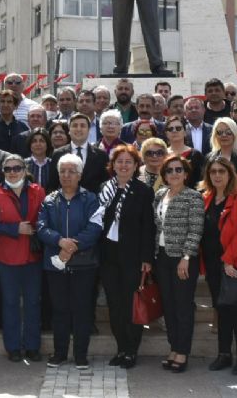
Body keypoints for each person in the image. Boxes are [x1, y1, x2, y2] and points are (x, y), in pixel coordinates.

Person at [37, 154, 102, 369]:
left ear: (80, 175)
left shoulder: (90, 198)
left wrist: (72, 246)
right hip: (55, 264)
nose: (66, 175)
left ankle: (81, 355)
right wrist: (59, 241)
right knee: (60, 309)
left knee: (82, 309)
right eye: (62, 171)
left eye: (71, 171)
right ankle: (59, 353)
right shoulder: (48, 199)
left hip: (83, 264)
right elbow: (41, 227)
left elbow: (94, 227)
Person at [98, 146, 155, 369]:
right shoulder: (105, 188)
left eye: (128, 162)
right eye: (119, 161)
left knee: (131, 305)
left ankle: (132, 350)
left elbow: (148, 227)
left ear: (135, 166)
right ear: (112, 165)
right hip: (108, 255)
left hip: (133, 256)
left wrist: (147, 258)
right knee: (115, 305)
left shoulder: (143, 191)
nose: (123, 165)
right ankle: (121, 348)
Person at [0, 154, 44, 363]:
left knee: (33, 303)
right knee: (10, 303)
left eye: (17, 168)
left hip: (32, 257)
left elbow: (45, 219)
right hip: (7, 257)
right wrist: (14, 228)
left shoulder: (38, 191)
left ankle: (32, 346)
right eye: (8, 169)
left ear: (25, 169)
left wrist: (36, 228)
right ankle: (13, 347)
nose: (12, 172)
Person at [199, 155, 237, 375]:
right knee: (221, 310)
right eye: (213, 172)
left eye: (222, 171)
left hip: (235, 263)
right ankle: (224, 354)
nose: (217, 175)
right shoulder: (206, 198)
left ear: (230, 174)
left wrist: (229, 260)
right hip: (213, 264)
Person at [153, 155, 203, 373]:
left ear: (185, 173)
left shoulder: (193, 197)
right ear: (164, 175)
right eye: (170, 170)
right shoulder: (159, 195)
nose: (174, 173)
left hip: (183, 259)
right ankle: (174, 347)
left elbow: (195, 230)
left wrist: (186, 257)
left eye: (178, 169)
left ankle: (182, 351)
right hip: (161, 257)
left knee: (183, 306)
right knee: (169, 306)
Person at [47, 114, 108, 194]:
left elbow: (104, 185)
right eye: (75, 126)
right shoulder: (58, 154)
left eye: (82, 126)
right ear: (69, 130)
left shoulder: (101, 156)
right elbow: (52, 185)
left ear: (88, 130)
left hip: (93, 204)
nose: (78, 129)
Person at [164, 115, 203, 188]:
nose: (174, 131)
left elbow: (200, 182)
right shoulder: (162, 154)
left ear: (185, 132)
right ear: (166, 134)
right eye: (170, 129)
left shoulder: (195, 155)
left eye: (178, 128)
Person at [209, 117, 237, 181]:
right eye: (219, 132)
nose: (224, 135)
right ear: (215, 135)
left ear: (235, 134)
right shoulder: (209, 158)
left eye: (228, 132)